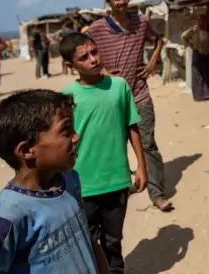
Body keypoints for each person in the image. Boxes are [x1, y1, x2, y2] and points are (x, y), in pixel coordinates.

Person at [0, 89, 110, 273]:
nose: (76, 137)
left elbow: (88, 241)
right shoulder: (8, 217)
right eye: (66, 131)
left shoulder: (70, 181)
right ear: (26, 150)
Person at [59, 32, 148, 274]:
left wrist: (141, 165)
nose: (93, 59)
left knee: (113, 240)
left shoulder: (119, 86)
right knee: (88, 241)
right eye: (84, 57)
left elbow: (132, 126)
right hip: (81, 183)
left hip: (116, 179)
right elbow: (62, 140)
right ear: (70, 65)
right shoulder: (66, 97)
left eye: (94, 52)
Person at [87, 0, 172, 212]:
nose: (122, 2)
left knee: (148, 144)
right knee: (116, 145)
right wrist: (101, 69)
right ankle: (122, 188)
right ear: (108, 2)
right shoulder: (96, 29)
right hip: (110, 96)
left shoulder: (141, 22)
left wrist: (153, 61)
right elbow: (84, 52)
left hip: (139, 93)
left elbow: (158, 40)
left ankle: (157, 194)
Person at [182, 11, 209, 101]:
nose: (202, 22)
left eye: (203, 20)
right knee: (197, 74)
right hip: (198, 53)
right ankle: (199, 95)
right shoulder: (194, 29)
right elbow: (184, 36)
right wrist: (191, 46)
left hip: (208, 54)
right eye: (200, 20)